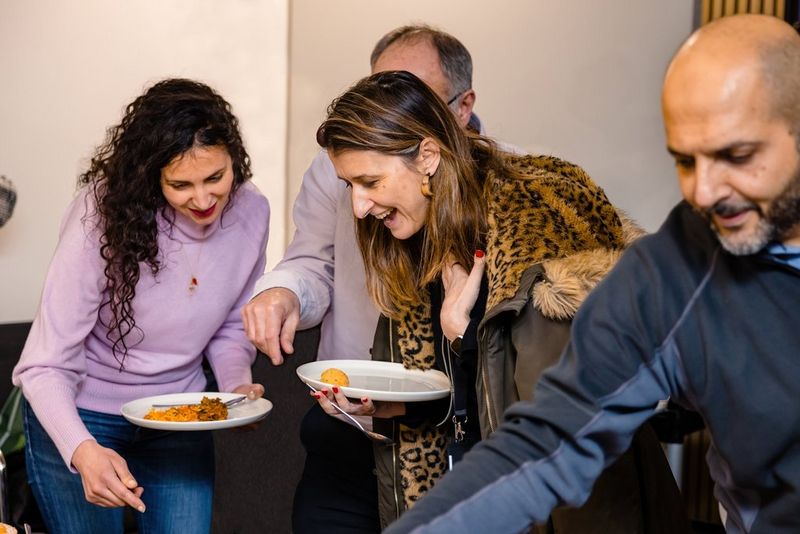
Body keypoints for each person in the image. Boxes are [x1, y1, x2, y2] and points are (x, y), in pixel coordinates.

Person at [384, 14, 800, 534]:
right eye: (686, 162)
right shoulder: (684, 264)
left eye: (736, 155)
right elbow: (554, 437)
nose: (704, 192)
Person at [313, 70, 688, 532]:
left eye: (370, 181)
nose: (359, 207)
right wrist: (406, 407)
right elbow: (476, 397)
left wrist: (464, 333)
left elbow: (568, 433)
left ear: (427, 156)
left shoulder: (536, 223)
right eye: (349, 185)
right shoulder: (420, 236)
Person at [241, 25, 485, 533]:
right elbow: (312, 263)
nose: (387, 110)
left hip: (445, 439)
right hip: (347, 420)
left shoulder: (503, 191)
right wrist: (284, 291)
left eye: (414, 97)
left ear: (461, 109)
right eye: (381, 89)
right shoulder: (338, 167)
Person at [12, 78, 269, 533]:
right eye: (180, 184)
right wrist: (81, 449)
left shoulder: (251, 210)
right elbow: (44, 365)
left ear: (235, 158)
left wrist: (236, 388)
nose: (203, 199)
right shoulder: (101, 214)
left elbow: (231, 324)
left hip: (179, 414)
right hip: (82, 414)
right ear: (151, 176)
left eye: (216, 177)